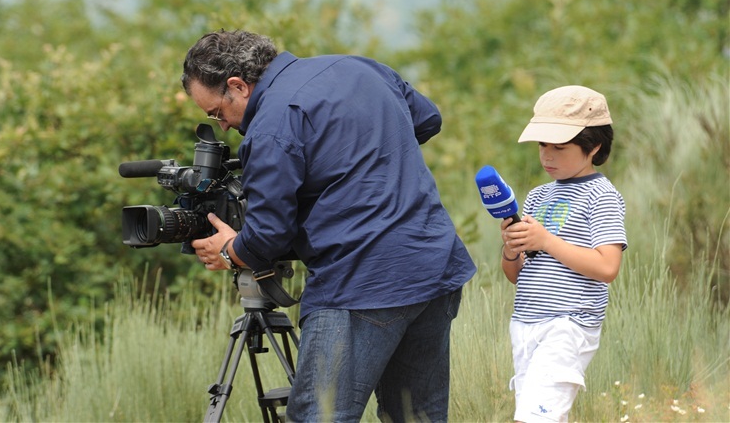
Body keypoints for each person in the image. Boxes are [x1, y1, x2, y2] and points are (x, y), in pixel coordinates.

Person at [182, 29, 476, 422]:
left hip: (360, 283)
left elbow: (268, 233)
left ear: (238, 85)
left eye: (217, 112)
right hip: (434, 267)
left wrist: (230, 250)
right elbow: (427, 119)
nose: (222, 125)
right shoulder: (359, 68)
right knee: (416, 416)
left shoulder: (271, 122)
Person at [500, 85, 627, 423]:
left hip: (568, 323)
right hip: (525, 323)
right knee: (539, 415)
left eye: (559, 147)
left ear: (594, 146)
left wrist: (545, 240)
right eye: (543, 145)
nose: (547, 156)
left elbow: (608, 267)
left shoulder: (602, 196)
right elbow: (516, 275)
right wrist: (512, 248)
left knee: (535, 418)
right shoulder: (538, 196)